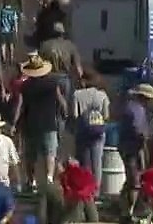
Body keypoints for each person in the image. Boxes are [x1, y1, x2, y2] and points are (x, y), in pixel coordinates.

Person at [14, 55, 65, 191]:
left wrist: (15, 123)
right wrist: (64, 112)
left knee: (31, 154)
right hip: (49, 122)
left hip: (31, 122)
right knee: (50, 152)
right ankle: (48, 177)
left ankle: (32, 181)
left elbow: (21, 105)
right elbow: (60, 101)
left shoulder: (25, 86)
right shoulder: (52, 83)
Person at [71, 67, 111, 187]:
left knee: (84, 161)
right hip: (98, 131)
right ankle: (96, 190)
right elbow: (107, 115)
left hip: (82, 130)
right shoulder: (102, 95)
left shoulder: (77, 94)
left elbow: (75, 114)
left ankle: (84, 188)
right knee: (97, 162)